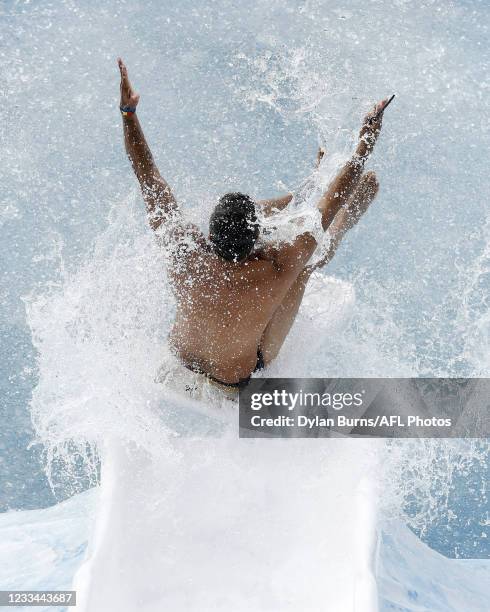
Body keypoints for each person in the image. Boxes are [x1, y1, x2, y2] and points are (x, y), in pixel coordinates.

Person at [118, 58, 388, 396]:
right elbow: (335, 200)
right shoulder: (278, 266)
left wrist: (128, 115)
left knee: (292, 231)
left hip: (180, 361)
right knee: (306, 265)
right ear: (256, 237)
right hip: (234, 383)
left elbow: (148, 175)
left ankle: (304, 191)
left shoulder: (184, 254)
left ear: (211, 235)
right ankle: (311, 196)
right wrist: (367, 138)